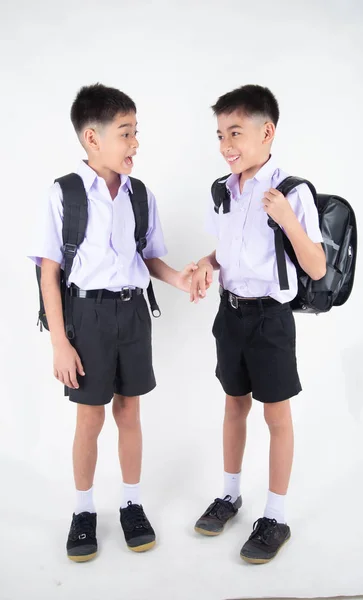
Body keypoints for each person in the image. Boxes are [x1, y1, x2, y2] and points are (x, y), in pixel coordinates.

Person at [28, 83, 196, 562]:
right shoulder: (63, 194)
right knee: (90, 417)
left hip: (132, 312)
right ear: (92, 138)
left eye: (136, 132)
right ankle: (83, 511)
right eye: (126, 133)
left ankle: (131, 504)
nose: (135, 143)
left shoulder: (139, 194)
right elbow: (49, 272)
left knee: (129, 412)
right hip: (86, 314)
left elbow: (150, 259)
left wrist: (182, 281)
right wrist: (60, 341)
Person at [190, 84, 326, 564]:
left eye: (236, 132)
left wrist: (288, 219)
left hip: (270, 318)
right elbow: (225, 252)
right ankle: (230, 495)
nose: (226, 144)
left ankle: (276, 515)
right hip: (230, 313)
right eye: (221, 134)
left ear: (267, 132)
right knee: (233, 405)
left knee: (276, 416)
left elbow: (316, 267)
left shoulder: (292, 191)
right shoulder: (224, 189)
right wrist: (207, 263)